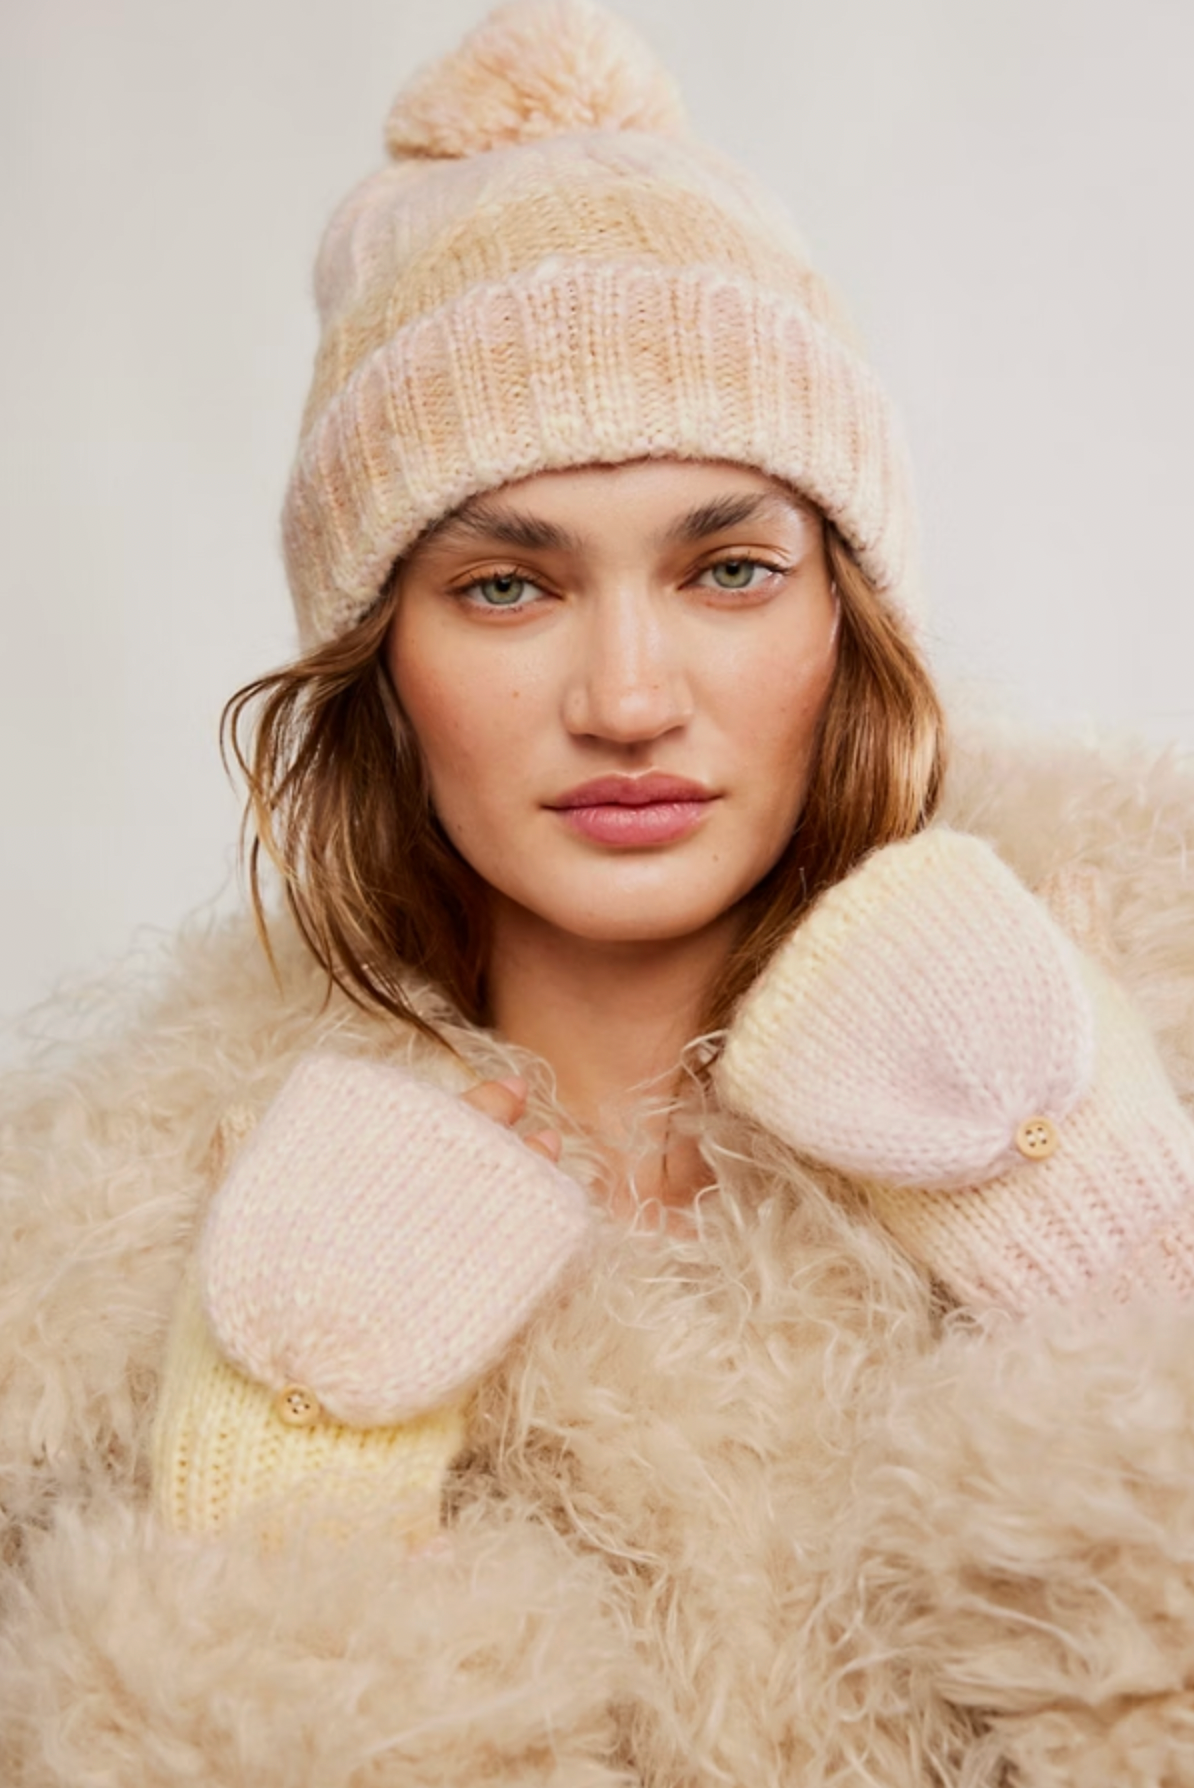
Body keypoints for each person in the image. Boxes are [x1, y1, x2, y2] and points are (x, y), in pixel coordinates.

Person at [3, 2, 1194, 1783]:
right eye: (506, 586)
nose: (629, 696)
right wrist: (284, 1500)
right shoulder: (90, 1266)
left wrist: (1120, 1265)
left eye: (727, 568)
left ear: (845, 619)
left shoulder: (1138, 1035)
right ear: (376, 659)